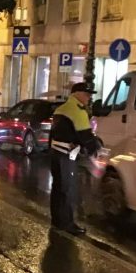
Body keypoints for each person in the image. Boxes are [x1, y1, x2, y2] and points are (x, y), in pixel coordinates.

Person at [49, 82, 101, 235]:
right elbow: (85, 135)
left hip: (55, 153)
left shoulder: (60, 109)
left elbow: (53, 134)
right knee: (68, 190)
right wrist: (94, 150)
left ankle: (57, 220)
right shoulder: (77, 110)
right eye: (86, 94)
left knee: (57, 188)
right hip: (67, 155)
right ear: (76, 94)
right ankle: (67, 223)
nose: (89, 97)